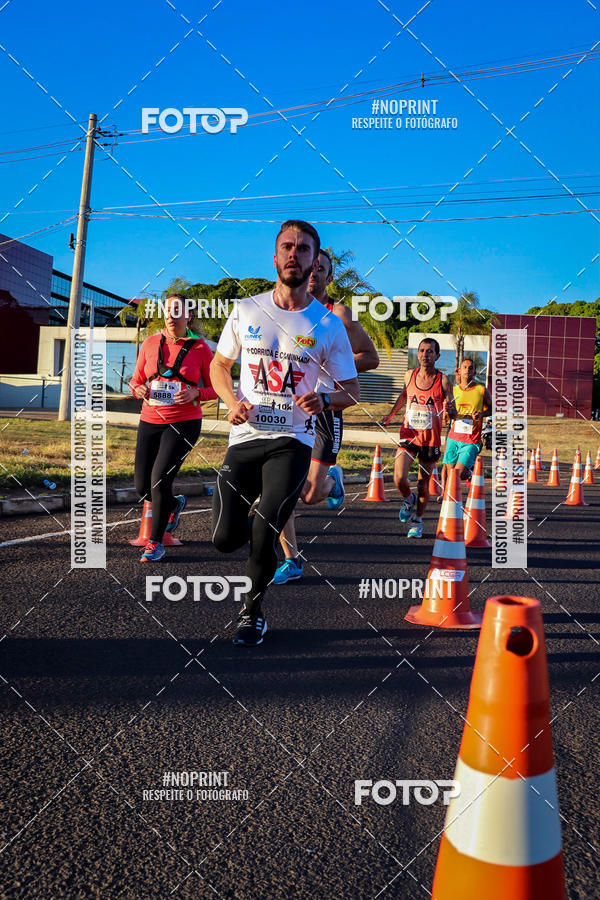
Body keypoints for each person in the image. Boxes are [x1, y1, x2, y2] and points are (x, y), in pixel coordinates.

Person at [210, 220, 359, 646]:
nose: (294, 254)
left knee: (265, 527)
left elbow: (352, 391)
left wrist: (325, 400)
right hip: (245, 437)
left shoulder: (327, 324)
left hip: (293, 441)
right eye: (287, 246)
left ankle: (251, 614)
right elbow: (220, 365)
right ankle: (251, 529)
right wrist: (230, 401)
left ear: (315, 262)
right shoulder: (246, 309)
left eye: (303, 248)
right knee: (224, 540)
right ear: (275, 257)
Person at [273, 249, 379, 584]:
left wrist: (333, 364)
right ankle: (292, 559)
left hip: (324, 408)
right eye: (312, 266)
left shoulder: (339, 314)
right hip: (286, 408)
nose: (314, 272)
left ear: (329, 277)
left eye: (322, 269)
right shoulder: (284, 310)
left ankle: (333, 480)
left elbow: (371, 357)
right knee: (282, 490)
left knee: (310, 495)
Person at [129, 294, 217, 561]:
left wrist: (196, 393)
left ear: (189, 316)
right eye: (168, 310)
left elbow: (216, 387)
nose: (171, 315)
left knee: (159, 480)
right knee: (142, 486)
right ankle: (174, 503)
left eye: (177, 310)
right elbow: (135, 381)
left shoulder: (201, 349)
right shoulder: (150, 343)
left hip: (184, 423)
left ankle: (155, 544)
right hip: (150, 419)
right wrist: (138, 389)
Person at [381, 337, 455, 538]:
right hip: (409, 435)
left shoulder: (443, 380)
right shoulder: (409, 375)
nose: (425, 355)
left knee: (423, 484)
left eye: (429, 351)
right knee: (398, 478)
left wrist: (451, 410)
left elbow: (453, 409)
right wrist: (391, 414)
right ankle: (408, 498)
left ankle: (418, 521)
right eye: (422, 350)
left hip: (430, 440)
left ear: (437, 356)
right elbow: (404, 395)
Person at [441, 357, 492, 488]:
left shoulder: (481, 390)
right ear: (459, 370)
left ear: (475, 372)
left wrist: (481, 414)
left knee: (457, 474)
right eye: (464, 367)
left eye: (471, 368)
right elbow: (446, 417)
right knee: (448, 470)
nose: (467, 370)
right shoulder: (453, 391)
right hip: (453, 438)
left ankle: (467, 473)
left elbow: (493, 409)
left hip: (471, 440)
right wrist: (447, 412)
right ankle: (445, 496)